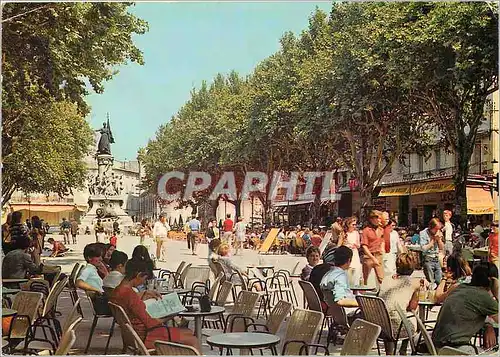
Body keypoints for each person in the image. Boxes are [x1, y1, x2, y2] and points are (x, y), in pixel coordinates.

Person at [109, 259, 201, 350]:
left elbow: (130, 302)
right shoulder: (129, 294)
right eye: (144, 279)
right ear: (138, 275)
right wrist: (170, 315)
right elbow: (150, 323)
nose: (143, 282)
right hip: (146, 336)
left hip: (134, 336)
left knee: (187, 332)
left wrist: (144, 294)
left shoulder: (118, 290)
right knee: (192, 339)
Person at [432, 264, 498, 353]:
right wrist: (497, 292)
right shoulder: (484, 296)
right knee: (494, 352)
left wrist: (488, 325)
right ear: (492, 281)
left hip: (437, 346)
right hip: (457, 349)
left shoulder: (459, 287)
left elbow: (467, 312)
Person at [378, 253, 421, 355]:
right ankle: (404, 349)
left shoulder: (386, 279)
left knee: (392, 313)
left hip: (380, 326)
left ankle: (390, 352)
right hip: (397, 327)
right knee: (412, 314)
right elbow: (412, 307)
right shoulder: (414, 283)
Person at [309, 246, 336, 313]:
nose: (315, 258)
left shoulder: (316, 269)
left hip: (315, 303)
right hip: (327, 306)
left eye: (317, 256)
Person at [419, 218, 444, 287]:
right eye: (436, 229)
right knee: (431, 282)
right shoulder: (423, 233)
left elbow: (441, 248)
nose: (437, 231)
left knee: (439, 280)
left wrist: (439, 240)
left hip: (436, 258)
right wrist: (433, 240)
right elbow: (423, 248)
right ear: (431, 227)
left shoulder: (438, 232)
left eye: (438, 229)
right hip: (428, 258)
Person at [361, 211, 384, 285]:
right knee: (366, 280)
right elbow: (364, 246)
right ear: (371, 219)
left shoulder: (381, 230)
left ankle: (381, 293)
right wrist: (372, 258)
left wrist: (382, 249)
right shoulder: (366, 231)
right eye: (377, 218)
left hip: (378, 255)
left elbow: (382, 241)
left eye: (380, 219)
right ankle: (364, 294)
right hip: (369, 256)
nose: (379, 220)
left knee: (381, 278)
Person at [339, 216, 362, 287]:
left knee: (356, 272)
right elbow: (339, 245)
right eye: (353, 224)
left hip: (354, 254)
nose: (354, 226)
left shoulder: (356, 233)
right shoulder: (343, 234)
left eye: (355, 224)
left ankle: (355, 288)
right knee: (348, 273)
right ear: (348, 225)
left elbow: (358, 245)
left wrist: (355, 245)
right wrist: (347, 246)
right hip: (347, 254)